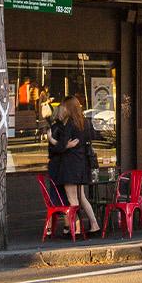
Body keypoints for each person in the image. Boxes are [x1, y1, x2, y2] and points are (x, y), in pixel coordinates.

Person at [47, 96, 100, 237]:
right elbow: (93, 137)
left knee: (72, 199)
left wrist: (51, 139)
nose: (62, 108)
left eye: (64, 106)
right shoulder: (86, 122)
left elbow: (60, 146)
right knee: (82, 197)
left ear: (68, 107)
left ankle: (76, 229)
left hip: (70, 166)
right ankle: (94, 225)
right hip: (82, 165)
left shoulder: (70, 124)